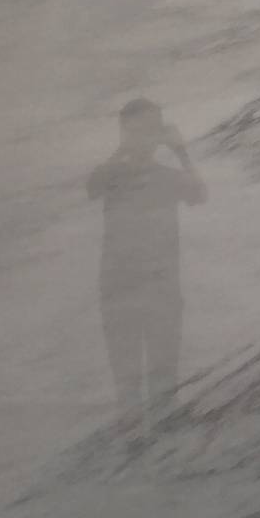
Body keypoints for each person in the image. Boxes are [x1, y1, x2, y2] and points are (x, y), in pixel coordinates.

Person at [87, 99, 206, 423]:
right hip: (118, 289)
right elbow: (92, 187)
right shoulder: (112, 176)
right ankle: (133, 444)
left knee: (165, 385)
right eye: (139, 130)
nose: (148, 138)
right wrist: (122, 151)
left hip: (161, 288)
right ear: (124, 132)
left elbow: (199, 195)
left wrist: (181, 152)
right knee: (126, 389)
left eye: (154, 129)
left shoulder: (168, 177)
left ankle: (163, 444)